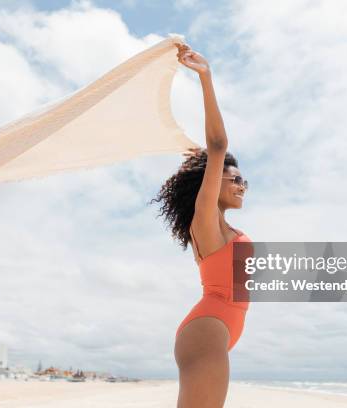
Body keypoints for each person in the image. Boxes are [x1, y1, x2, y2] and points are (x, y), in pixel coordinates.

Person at [149, 43, 252, 407]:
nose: (242, 186)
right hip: (208, 329)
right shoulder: (206, 220)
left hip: (219, 330)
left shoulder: (226, 230)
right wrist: (206, 77)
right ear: (211, 183)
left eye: (244, 182)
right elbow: (218, 144)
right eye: (234, 179)